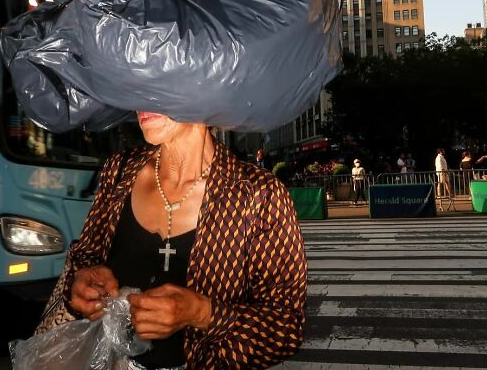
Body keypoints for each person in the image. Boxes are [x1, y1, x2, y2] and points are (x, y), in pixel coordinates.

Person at [59, 112, 307, 369]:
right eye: (138, 83)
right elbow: (83, 258)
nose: (144, 100)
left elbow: (285, 331)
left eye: (162, 80)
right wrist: (82, 283)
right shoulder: (120, 170)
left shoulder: (259, 194)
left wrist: (202, 313)